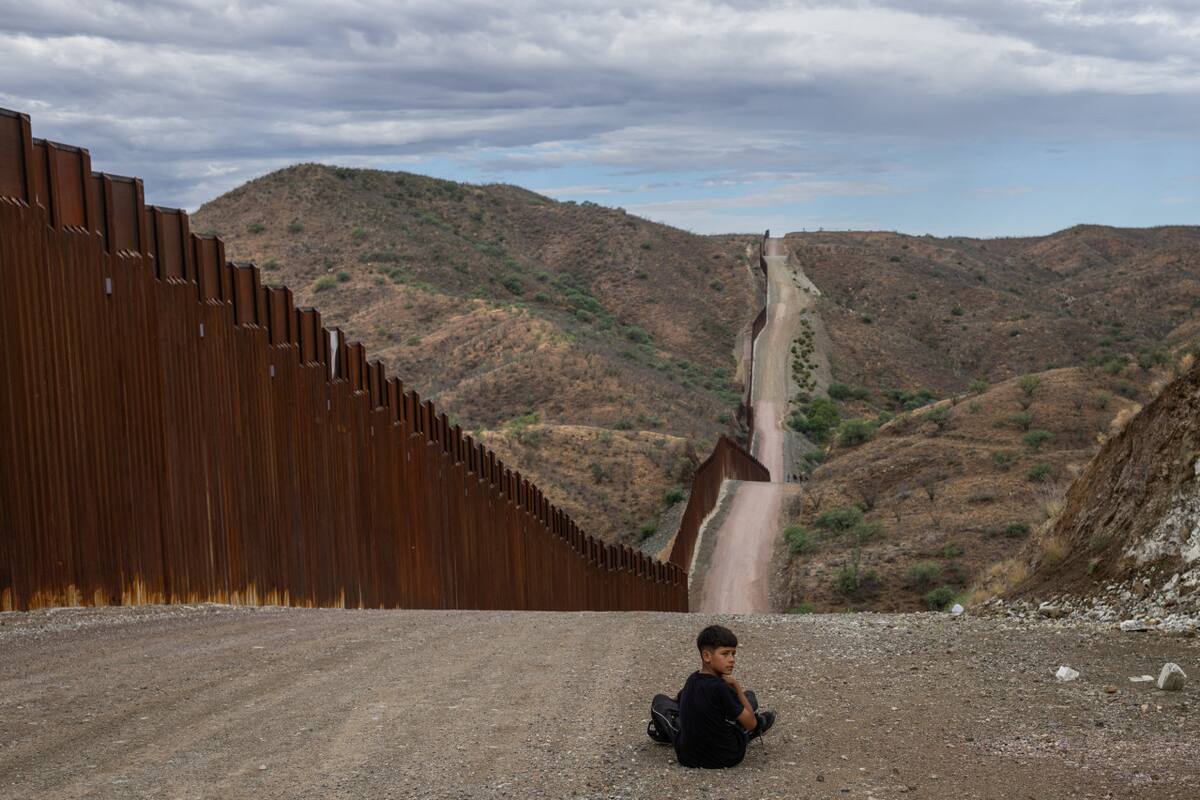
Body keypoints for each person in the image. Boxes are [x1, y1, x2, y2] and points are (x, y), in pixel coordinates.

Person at [647, 624, 776, 768]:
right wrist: (737, 688)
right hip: (728, 756)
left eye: (733, 654)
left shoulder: (692, 680)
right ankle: (748, 731)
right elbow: (752, 724)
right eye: (725, 653)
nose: (731, 659)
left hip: (687, 757)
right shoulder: (721, 688)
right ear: (706, 656)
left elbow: (680, 699)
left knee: (660, 702)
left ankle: (668, 731)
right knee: (749, 698)